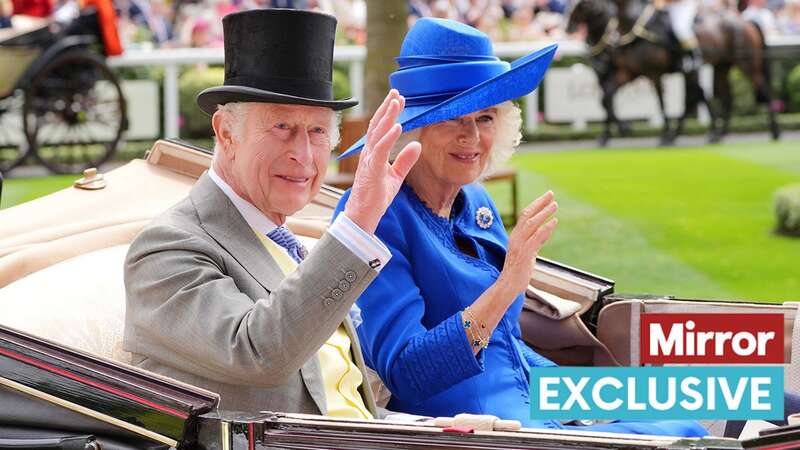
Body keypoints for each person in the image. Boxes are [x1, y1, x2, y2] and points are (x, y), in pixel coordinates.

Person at [333, 17, 706, 437]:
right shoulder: (376, 214)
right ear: (414, 126)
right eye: (453, 118)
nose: (472, 136)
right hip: (482, 425)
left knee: (743, 396)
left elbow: (508, 345)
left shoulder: (474, 200)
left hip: (538, 388)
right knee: (685, 432)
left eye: (486, 117)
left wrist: (594, 392)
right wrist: (507, 285)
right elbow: (405, 373)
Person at [123, 8, 421, 417]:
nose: (302, 154)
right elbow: (259, 352)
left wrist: (431, 428)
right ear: (227, 132)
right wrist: (358, 224)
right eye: (281, 127)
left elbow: (340, 400)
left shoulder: (290, 244)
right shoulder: (167, 248)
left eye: (317, 131)